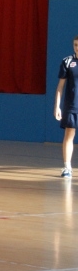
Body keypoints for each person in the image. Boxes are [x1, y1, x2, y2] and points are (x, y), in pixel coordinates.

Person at [54, 35, 78, 178]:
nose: (77, 47)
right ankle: (67, 167)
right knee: (69, 135)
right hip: (72, 106)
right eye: (75, 45)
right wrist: (57, 106)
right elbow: (60, 87)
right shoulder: (67, 62)